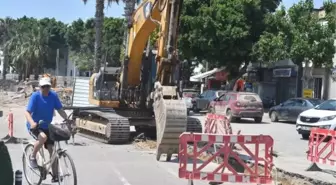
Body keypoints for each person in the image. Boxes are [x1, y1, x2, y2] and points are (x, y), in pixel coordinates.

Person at [24, 77, 70, 183]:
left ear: (50, 87)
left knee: (52, 150)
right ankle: (32, 156)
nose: (46, 88)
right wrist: (32, 123)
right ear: (40, 87)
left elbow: (60, 110)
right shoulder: (35, 96)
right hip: (35, 126)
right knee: (43, 138)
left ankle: (55, 175)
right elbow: (27, 112)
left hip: (46, 126)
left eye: (48, 86)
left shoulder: (53, 96)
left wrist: (67, 119)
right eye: (43, 87)